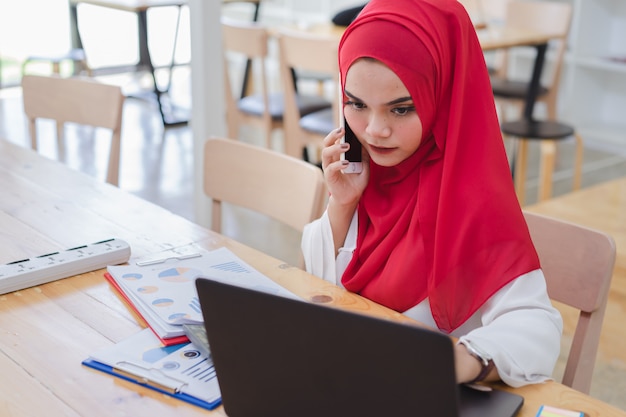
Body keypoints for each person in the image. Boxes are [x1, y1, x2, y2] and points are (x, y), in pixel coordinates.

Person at [301, 0, 563, 387]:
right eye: (356, 104)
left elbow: (537, 326)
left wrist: (462, 358)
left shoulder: (472, 198)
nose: (374, 130)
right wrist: (342, 204)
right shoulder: (368, 179)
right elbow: (325, 294)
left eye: (401, 109)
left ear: (442, 98)